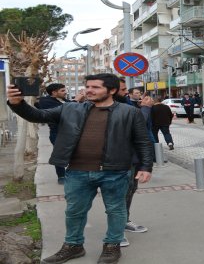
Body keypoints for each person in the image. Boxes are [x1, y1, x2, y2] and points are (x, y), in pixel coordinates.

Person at [7, 73, 154, 264]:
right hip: (77, 172)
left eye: (95, 87)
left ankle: (112, 246)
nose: (89, 90)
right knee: (74, 211)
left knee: (116, 211)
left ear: (111, 90)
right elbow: (38, 115)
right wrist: (18, 103)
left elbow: (142, 141)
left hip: (115, 171)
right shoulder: (70, 108)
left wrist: (145, 166)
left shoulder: (129, 112)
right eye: (88, 86)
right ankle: (73, 246)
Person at [113, 79, 153, 248]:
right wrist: (145, 109)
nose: (127, 93)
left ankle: (124, 221)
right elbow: (136, 125)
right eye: (123, 90)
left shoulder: (127, 105)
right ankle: (115, 232)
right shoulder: (113, 108)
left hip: (133, 159)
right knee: (118, 196)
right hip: (118, 160)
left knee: (129, 191)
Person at [38, 83, 84, 184]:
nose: (65, 92)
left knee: (76, 153)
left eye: (65, 90)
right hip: (57, 132)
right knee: (60, 154)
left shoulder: (65, 100)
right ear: (54, 93)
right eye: (62, 91)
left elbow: (76, 110)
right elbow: (65, 110)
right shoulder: (45, 101)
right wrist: (76, 100)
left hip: (72, 131)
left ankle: (74, 173)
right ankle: (61, 176)